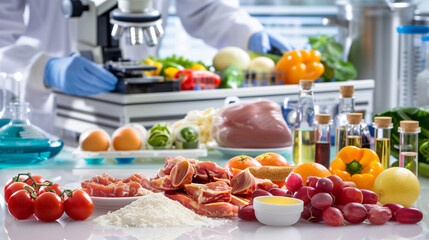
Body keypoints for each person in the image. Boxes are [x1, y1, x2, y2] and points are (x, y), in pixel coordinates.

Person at [0, 0, 294, 132]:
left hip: (136, 119)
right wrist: (43, 70)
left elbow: (206, 7)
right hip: (44, 117)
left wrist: (246, 32)